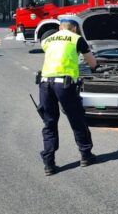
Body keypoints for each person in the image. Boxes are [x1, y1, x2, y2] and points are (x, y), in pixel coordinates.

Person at [38, 18, 97, 176]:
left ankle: (49, 164)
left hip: (45, 83)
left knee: (49, 123)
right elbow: (91, 63)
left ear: (60, 28)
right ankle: (86, 155)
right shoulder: (76, 38)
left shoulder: (48, 40)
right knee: (76, 118)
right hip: (64, 85)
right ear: (75, 29)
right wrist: (95, 68)